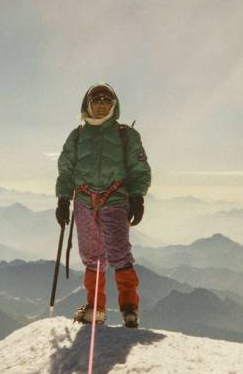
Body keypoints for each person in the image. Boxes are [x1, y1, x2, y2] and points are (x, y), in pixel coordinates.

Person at [54, 82, 151, 328]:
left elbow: (139, 168)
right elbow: (66, 171)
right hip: (84, 202)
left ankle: (129, 308)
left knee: (119, 253)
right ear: (88, 104)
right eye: (96, 100)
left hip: (116, 200)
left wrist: (138, 196)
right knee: (92, 256)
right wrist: (63, 199)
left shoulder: (126, 135)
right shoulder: (77, 136)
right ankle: (96, 309)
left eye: (107, 101)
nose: (101, 105)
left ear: (114, 105)